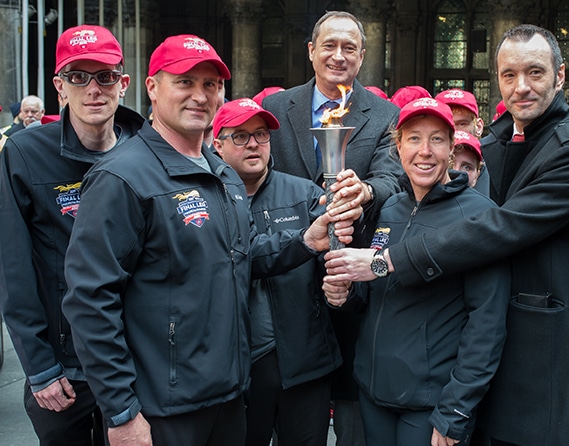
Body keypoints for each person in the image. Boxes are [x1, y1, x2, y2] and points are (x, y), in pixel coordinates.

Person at [61, 34, 358, 446]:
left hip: (229, 400)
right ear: (152, 87)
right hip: (164, 411)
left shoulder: (223, 176)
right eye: (185, 82)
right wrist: (122, 412)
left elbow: (244, 255)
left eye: (211, 84)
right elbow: (90, 301)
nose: (200, 95)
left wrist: (306, 241)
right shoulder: (122, 179)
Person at [325, 23, 569, 446]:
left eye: (535, 72)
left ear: (561, 76)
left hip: (546, 355)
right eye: (509, 75)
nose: (521, 87)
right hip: (461, 374)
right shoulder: (493, 146)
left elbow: (502, 227)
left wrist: (388, 261)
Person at [324, 97, 510, 446]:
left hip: (430, 406)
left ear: (452, 148)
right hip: (374, 393)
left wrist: (455, 411)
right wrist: (346, 293)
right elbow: (375, 290)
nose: (424, 151)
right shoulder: (392, 206)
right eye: (413, 138)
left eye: (437, 139)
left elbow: (487, 324)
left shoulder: (479, 216)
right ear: (397, 146)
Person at [261, 11, 403, 446]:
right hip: (283, 279)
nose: (338, 56)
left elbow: (392, 178)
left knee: (348, 418)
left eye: (349, 48)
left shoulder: (384, 114)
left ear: (362, 56)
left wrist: (365, 192)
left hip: (351, 282)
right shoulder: (274, 108)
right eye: (329, 45)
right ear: (311, 51)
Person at [0, 25, 142, 446]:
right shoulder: (25, 154)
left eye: (104, 76)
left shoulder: (149, 150)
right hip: (63, 371)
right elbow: (13, 269)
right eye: (78, 77)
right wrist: (40, 367)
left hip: (141, 361)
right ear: (60, 87)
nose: (93, 90)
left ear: (124, 83)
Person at [212, 98, 343, 446]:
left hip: (304, 365)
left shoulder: (304, 195)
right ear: (217, 143)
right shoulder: (208, 200)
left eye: (261, 134)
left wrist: (341, 285)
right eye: (239, 136)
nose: (253, 143)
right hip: (238, 372)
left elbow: (335, 264)